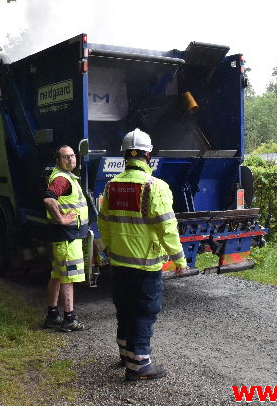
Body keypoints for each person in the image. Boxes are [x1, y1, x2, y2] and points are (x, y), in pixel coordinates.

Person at [97, 128, 188, 381]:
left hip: (119, 262)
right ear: (148, 155)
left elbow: (103, 222)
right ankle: (139, 366)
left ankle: (126, 354)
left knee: (125, 308)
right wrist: (179, 260)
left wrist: (108, 249)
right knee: (145, 311)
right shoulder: (155, 187)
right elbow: (167, 227)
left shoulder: (111, 186)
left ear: (125, 155)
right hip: (146, 265)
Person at [42, 145, 89, 332]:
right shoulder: (62, 179)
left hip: (64, 237)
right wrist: (61, 219)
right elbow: (48, 200)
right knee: (68, 277)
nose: (71, 159)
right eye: (66, 157)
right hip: (68, 237)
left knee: (57, 276)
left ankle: (52, 315)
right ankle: (69, 319)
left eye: (73, 156)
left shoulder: (66, 176)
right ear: (58, 160)